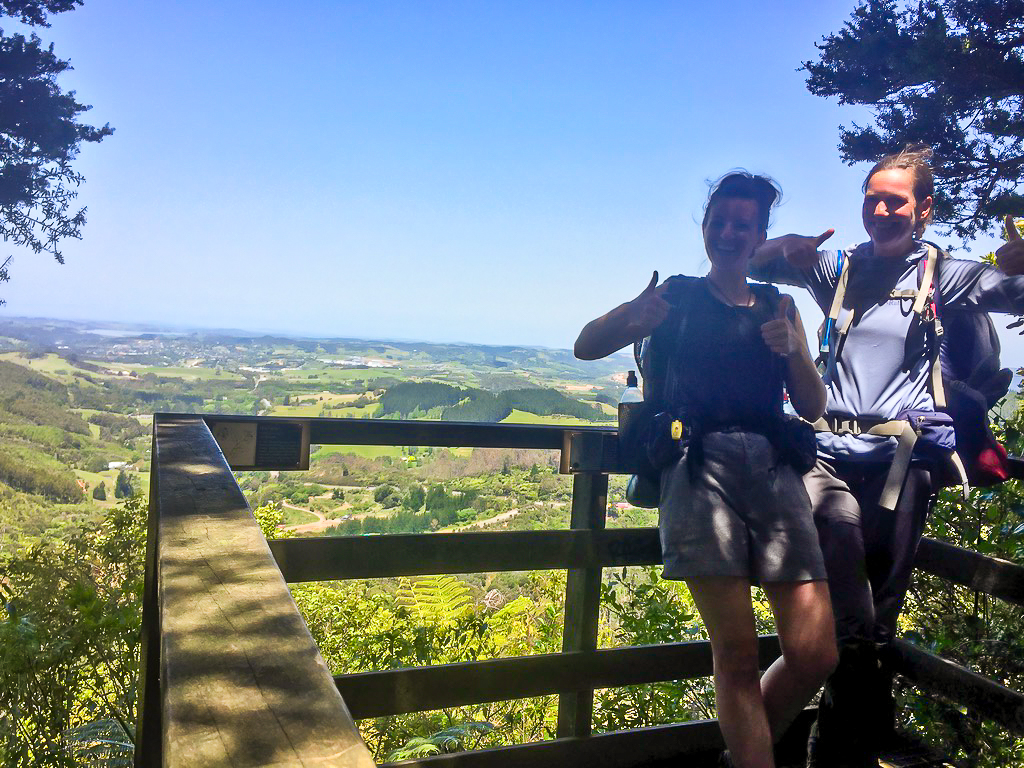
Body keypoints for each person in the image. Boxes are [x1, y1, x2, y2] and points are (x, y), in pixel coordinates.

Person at [749, 144, 1024, 767]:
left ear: (924, 209)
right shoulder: (835, 269)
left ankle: (834, 747)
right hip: (823, 454)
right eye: (871, 198)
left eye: (894, 201)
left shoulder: (946, 277)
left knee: (875, 618)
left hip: (901, 463)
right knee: (846, 587)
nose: (879, 209)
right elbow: (747, 264)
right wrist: (782, 247)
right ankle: (843, 734)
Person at [575, 172, 837, 768]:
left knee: (815, 652)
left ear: (758, 235)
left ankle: (743, 753)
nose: (727, 232)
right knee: (738, 654)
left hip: (774, 472)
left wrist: (793, 348)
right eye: (718, 220)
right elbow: (586, 346)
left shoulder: (781, 305)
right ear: (706, 225)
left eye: (741, 224)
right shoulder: (676, 296)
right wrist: (634, 318)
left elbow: (814, 405)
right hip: (696, 471)